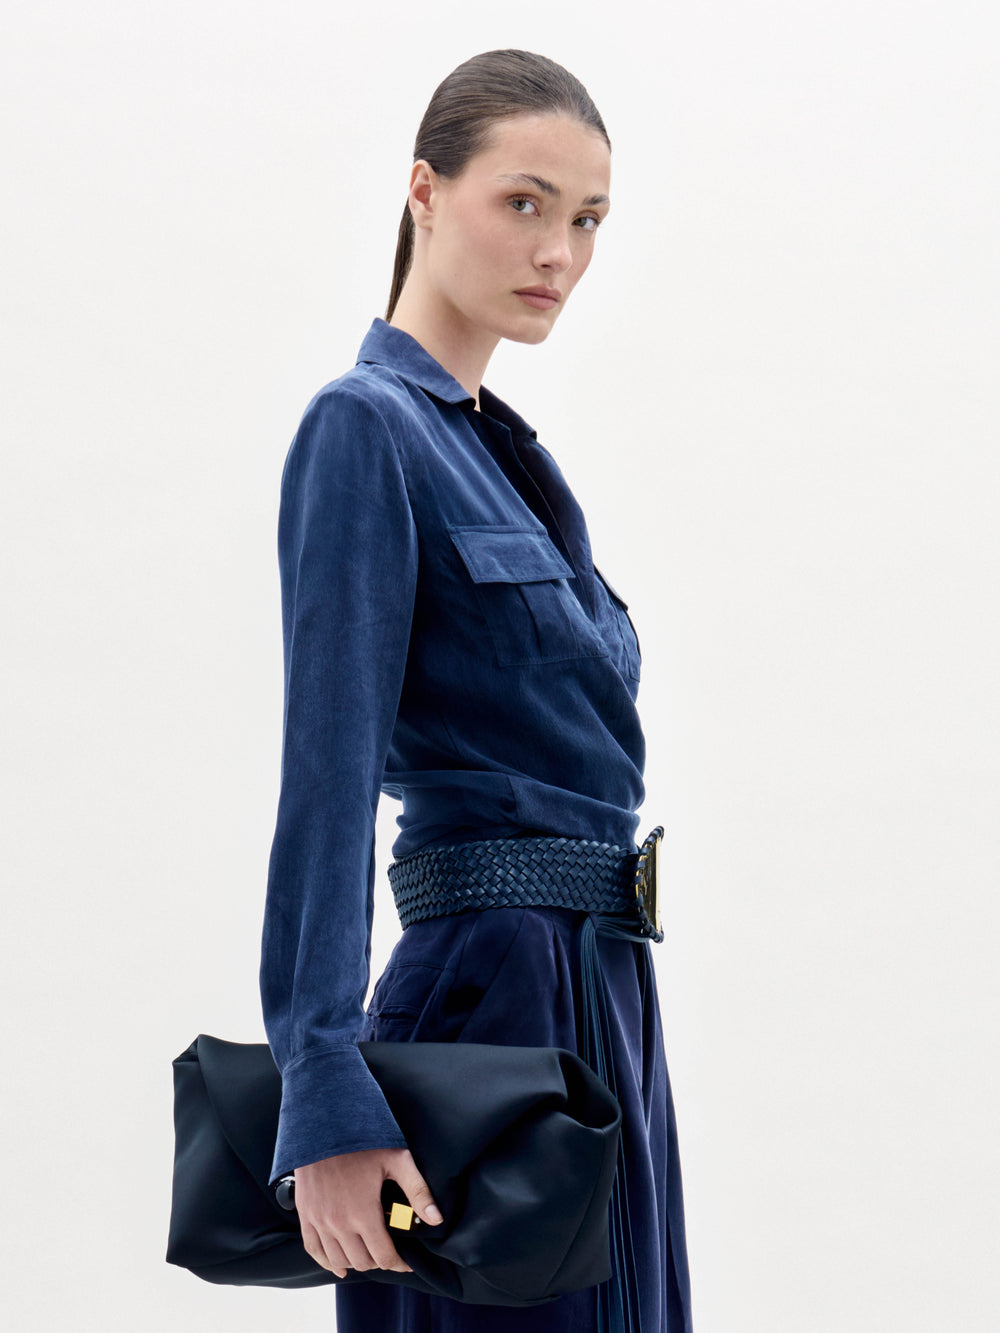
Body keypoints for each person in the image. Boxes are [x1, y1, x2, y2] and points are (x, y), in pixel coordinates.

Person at [259, 49, 694, 1333]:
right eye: (524, 201)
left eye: (588, 219)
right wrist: (322, 1084)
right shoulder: (365, 429)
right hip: (487, 999)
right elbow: (324, 775)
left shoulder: (505, 460)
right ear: (425, 192)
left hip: (603, 999)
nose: (557, 248)